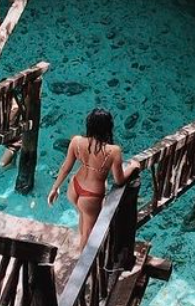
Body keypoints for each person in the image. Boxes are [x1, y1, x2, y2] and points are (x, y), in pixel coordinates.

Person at [47, 108, 140, 251]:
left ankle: (80, 246)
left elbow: (66, 167)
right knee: (88, 234)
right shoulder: (113, 151)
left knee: (83, 217)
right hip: (91, 196)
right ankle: (81, 263)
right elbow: (119, 180)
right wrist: (133, 167)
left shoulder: (76, 141)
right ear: (108, 127)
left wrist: (55, 188)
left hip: (74, 187)